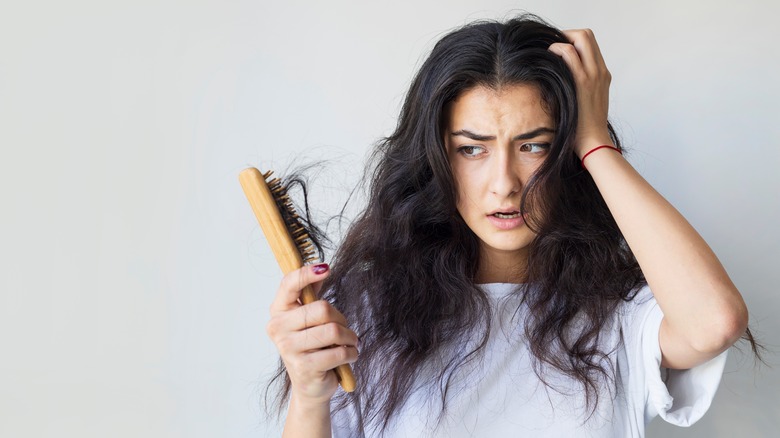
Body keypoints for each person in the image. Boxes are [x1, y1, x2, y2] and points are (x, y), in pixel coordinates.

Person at [263, 14, 757, 437]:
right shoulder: (367, 311)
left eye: (533, 145)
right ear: (436, 157)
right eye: (471, 149)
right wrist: (308, 395)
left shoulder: (619, 313)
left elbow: (716, 322)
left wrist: (594, 139)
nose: (504, 184)